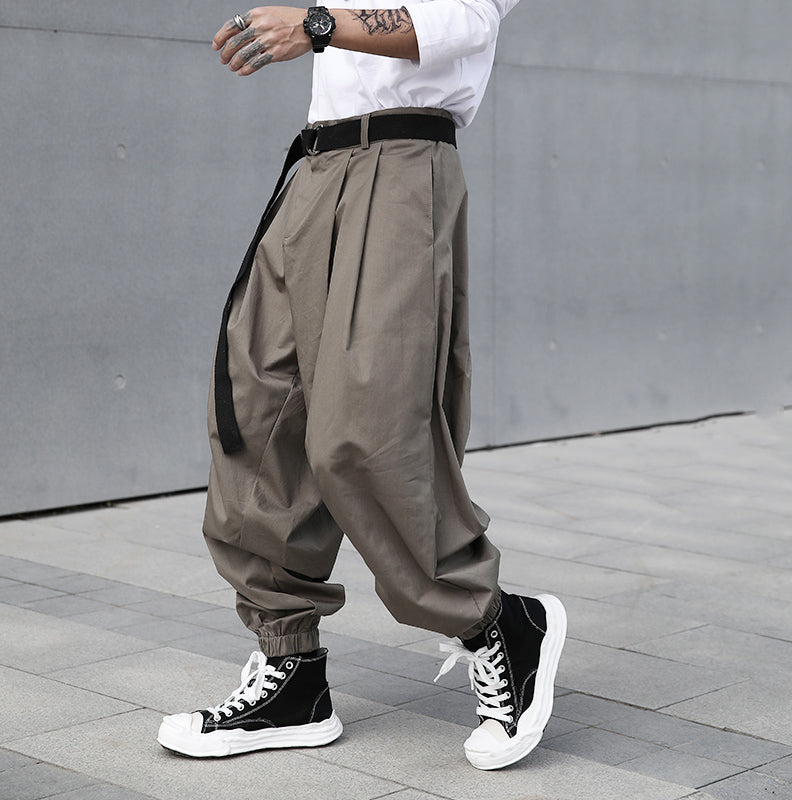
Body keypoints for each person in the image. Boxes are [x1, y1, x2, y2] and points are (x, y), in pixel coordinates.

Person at [156, 2, 567, 771]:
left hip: (404, 162)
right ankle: (292, 676)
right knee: (256, 412)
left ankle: (498, 623)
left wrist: (315, 26)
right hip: (316, 168)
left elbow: (464, 21)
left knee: (366, 428)